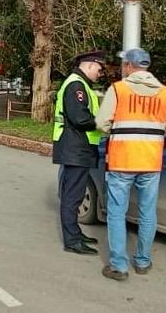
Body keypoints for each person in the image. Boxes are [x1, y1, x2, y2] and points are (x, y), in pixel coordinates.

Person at [95, 48, 166, 281]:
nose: (123, 68)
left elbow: (102, 123)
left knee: (116, 212)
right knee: (147, 212)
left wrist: (114, 128)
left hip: (122, 159)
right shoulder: (165, 93)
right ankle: (142, 261)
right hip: (151, 161)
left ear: (130, 66)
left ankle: (118, 266)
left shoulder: (118, 89)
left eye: (124, 64)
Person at [53, 50, 106, 255]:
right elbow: (80, 119)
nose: (100, 74)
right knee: (73, 196)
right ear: (90, 65)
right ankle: (72, 240)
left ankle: (75, 233)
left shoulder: (80, 84)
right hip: (75, 147)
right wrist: (103, 123)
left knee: (73, 194)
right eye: (99, 69)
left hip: (76, 147)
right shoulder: (76, 86)